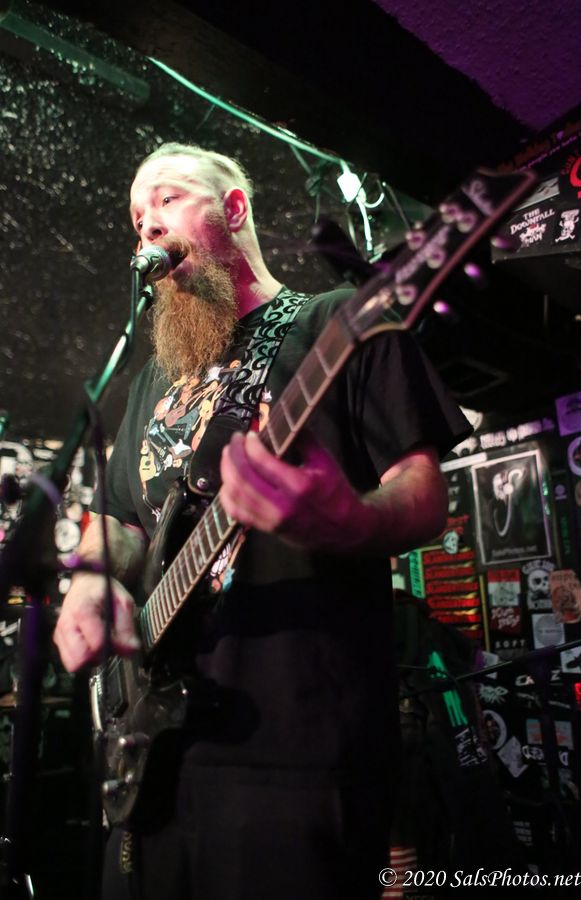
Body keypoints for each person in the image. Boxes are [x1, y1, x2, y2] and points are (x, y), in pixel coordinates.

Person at [53, 142, 471, 900]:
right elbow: (118, 521)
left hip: (295, 757)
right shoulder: (150, 383)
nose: (147, 225)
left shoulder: (335, 322)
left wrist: (343, 520)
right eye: (137, 218)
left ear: (235, 209)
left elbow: (423, 497)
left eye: (168, 200)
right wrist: (87, 584)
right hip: (151, 758)